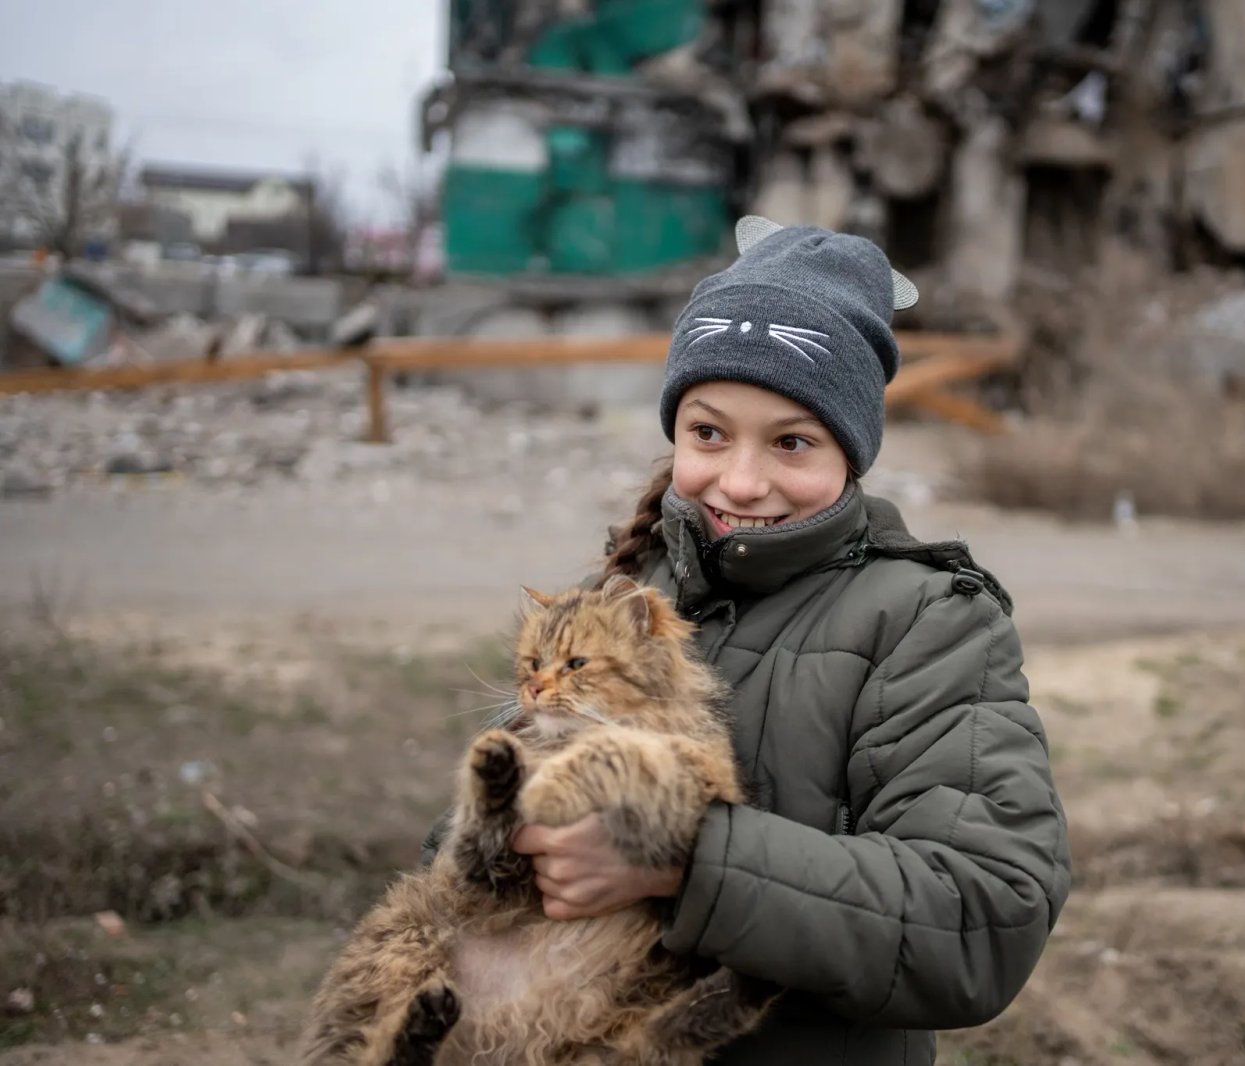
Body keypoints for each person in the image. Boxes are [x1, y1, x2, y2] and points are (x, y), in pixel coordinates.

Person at [424, 216, 1070, 1065]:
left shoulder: (930, 621)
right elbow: (468, 832)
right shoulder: (621, 594)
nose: (739, 481)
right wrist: (500, 840)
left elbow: (982, 917)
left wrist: (685, 864)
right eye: (708, 432)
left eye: (792, 441)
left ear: (852, 448)